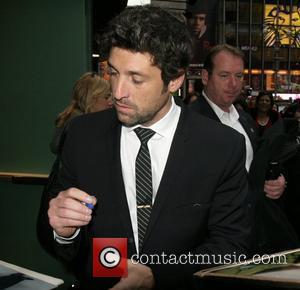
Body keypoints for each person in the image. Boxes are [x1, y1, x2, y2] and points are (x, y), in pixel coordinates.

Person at [37, 6, 250, 290]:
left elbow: (231, 245)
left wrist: (157, 276)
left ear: (174, 80)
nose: (117, 91)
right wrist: (65, 232)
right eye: (113, 72)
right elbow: (53, 234)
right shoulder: (81, 134)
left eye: (136, 79)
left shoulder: (221, 146)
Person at [189, 44, 297, 254]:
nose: (233, 84)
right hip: (211, 239)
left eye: (238, 76)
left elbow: (257, 166)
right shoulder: (189, 122)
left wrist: (279, 179)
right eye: (224, 75)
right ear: (205, 76)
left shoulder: (245, 120)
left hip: (253, 232)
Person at [49, 72, 112, 154]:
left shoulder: (70, 118)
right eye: (106, 97)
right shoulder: (80, 125)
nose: (110, 102)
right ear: (91, 98)